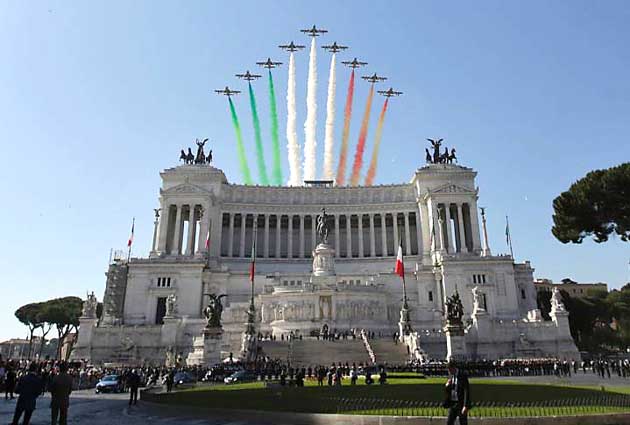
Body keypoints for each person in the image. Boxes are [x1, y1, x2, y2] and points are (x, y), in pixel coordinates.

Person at [443, 361, 471, 425]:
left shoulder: (462, 376)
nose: (449, 372)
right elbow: (449, 390)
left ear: (454, 368)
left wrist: (465, 405)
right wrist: (447, 386)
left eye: (450, 370)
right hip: (453, 403)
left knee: (463, 422)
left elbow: (466, 391)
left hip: (460, 403)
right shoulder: (451, 376)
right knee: (449, 422)